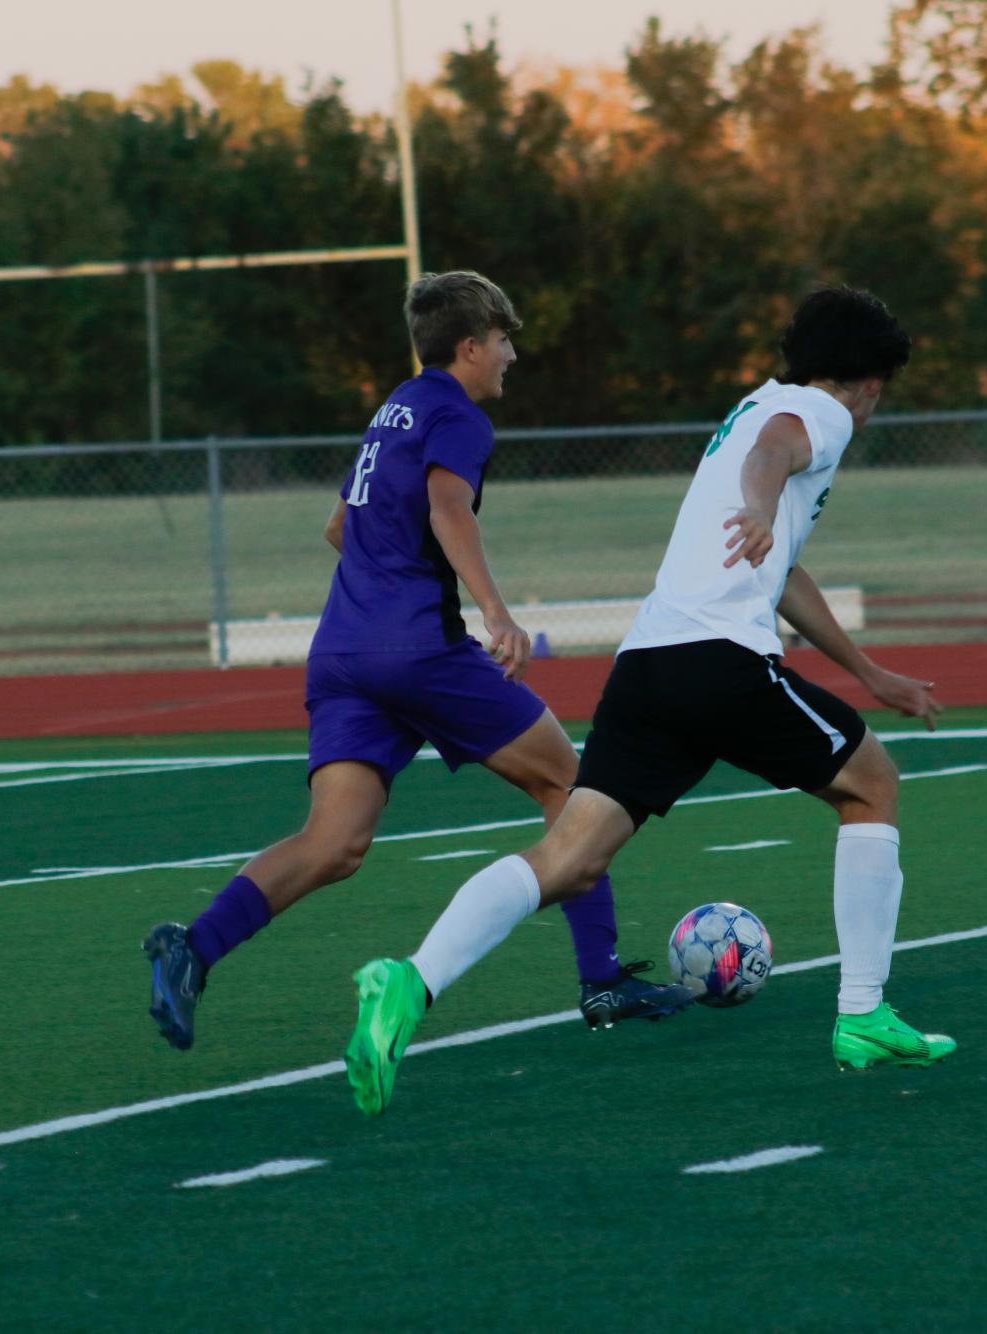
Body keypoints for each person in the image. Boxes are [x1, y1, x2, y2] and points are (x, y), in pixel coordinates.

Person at [343, 285, 955, 1116]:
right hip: (720, 662)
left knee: (571, 858)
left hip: (649, 665)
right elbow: (772, 458)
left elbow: (780, 570)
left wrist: (866, 670)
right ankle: (862, 1014)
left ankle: (410, 983)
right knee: (872, 786)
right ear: (870, 379)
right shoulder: (821, 414)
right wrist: (759, 502)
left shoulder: (755, 404)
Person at [141, 271, 692, 1052]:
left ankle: (192, 948)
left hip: (340, 651)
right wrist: (495, 614)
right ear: (469, 347)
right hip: (415, 649)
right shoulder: (457, 416)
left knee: (333, 844)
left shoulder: (391, 409)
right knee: (570, 785)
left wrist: (389, 579)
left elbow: (340, 527)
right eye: (503, 340)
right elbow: (445, 507)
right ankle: (601, 978)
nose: (510, 356)